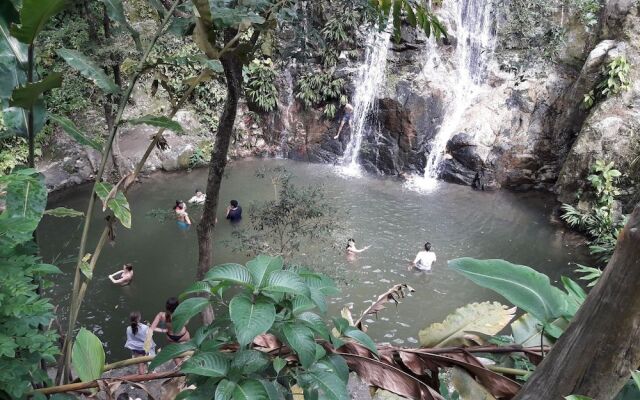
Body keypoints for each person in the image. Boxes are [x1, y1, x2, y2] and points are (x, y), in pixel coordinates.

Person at [148, 297, 191, 366]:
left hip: (171, 337)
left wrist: (164, 330)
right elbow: (186, 323)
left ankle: (180, 369)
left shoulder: (161, 315)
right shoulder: (182, 314)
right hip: (183, 336)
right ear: (178, 306)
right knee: (188, 352)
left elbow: (151, 328)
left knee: (175, 355)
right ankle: (188, 367)